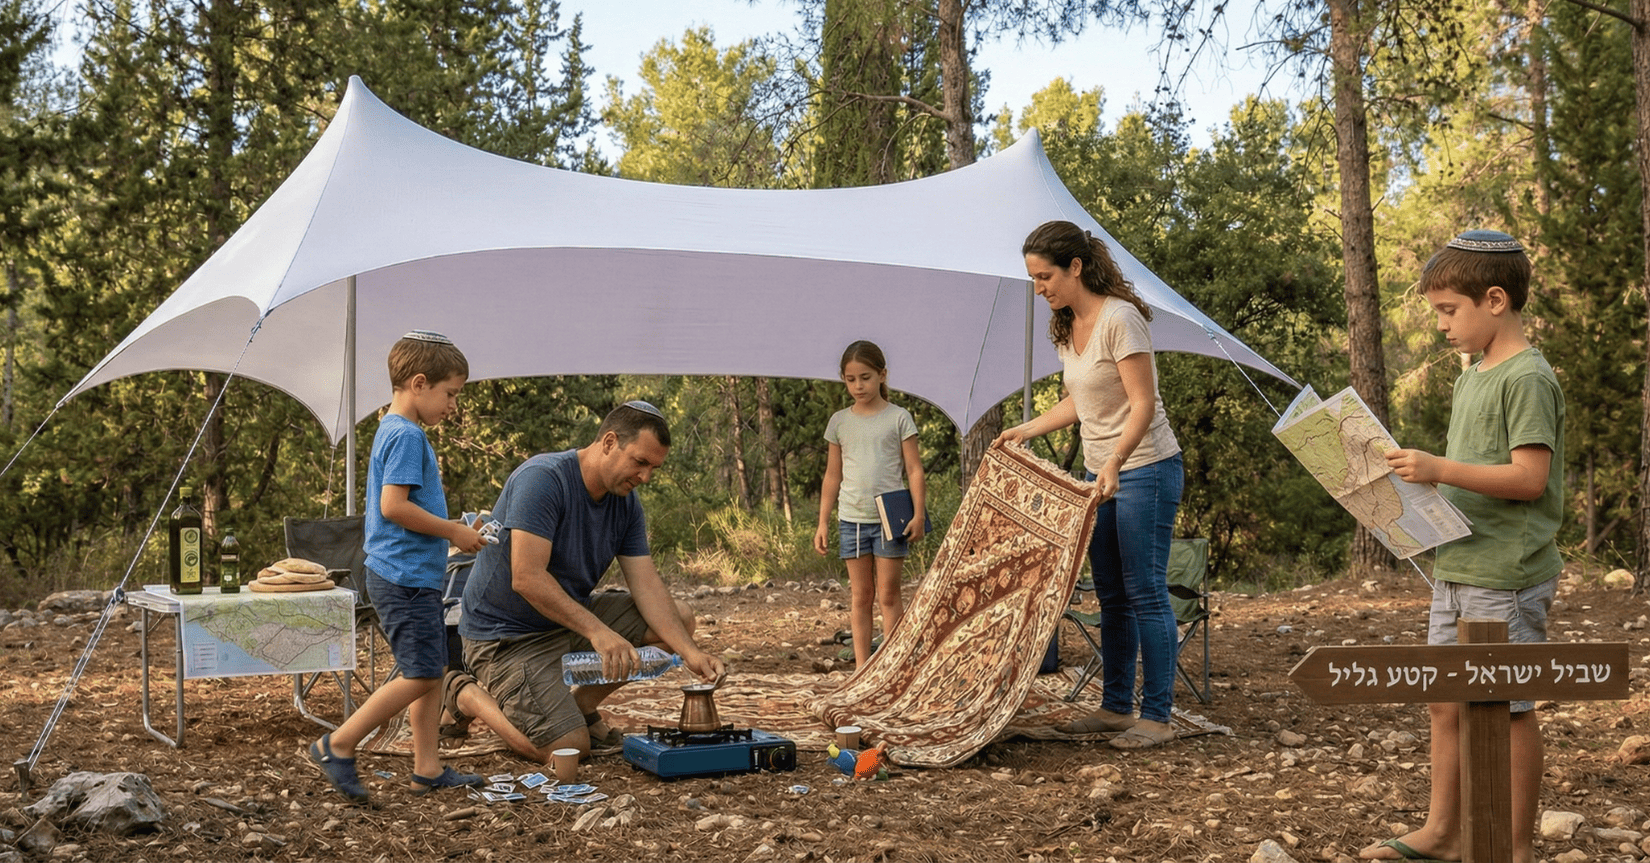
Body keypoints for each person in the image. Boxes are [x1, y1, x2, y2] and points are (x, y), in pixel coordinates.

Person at [1361, 230, 1563, 863]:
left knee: (1505, 708)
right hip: (1459, 562)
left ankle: (1515, 846)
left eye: (1449, 310)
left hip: (1506, 572)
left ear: (1495, 300)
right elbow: (1471, 471)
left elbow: (1529, 479)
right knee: (1444, 698)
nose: (1442, 326)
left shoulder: (1527, 378)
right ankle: (1443, 831)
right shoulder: (1471, 376)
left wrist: (1437, 469)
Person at [995, 220, 1184, 750]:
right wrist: (1026, 429)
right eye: (1033, 279)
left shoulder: (1120, 319)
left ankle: (1158, 716)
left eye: (1045, 276)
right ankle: (1116, 707)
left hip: (1144, 466)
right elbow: (1081, 402)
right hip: (1098, 475)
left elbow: (1142, 404)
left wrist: (1117, 460)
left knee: (1145, 590)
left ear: (1075, 267)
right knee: (1112, 595)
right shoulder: (1066, 327)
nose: (1040, 288)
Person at [457, 401, 725, 763]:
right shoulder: (543, 479)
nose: (645, 477)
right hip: (506, 637)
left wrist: (692, 653)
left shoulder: (626, 503)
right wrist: (599, 632)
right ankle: (467, 696)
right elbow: (527, 577)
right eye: (640, 462)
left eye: (653, 468)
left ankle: (580, 707)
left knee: (680, 620)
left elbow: (646, 585)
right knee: (568, 749)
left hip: (564, 619)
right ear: (609, 442)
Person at [308, 331, 489, 803]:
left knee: (429, 667)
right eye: (450, 394)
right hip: (403, 577)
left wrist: (458, 525)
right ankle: (339, 743)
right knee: (423, 674)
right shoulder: (407, 435)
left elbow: (405, 507)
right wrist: (453, 533)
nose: (453, 405)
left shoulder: (395, 429)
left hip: (412, 575)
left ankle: (427, 768)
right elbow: (393, 507)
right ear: (419, 382)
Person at [812, 340, 928, 666]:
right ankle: (862, 671)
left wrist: (918, 515)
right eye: (850, 379)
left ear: (882, 375)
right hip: (851, 520)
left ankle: (892, 668)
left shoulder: (899, 418)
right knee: (861, 597)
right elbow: (832, 476)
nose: (858, 386)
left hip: (890, 521)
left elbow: (914, 469)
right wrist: (823, 521)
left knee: (889, 596)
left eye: (865, 377)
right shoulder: (839, 422)